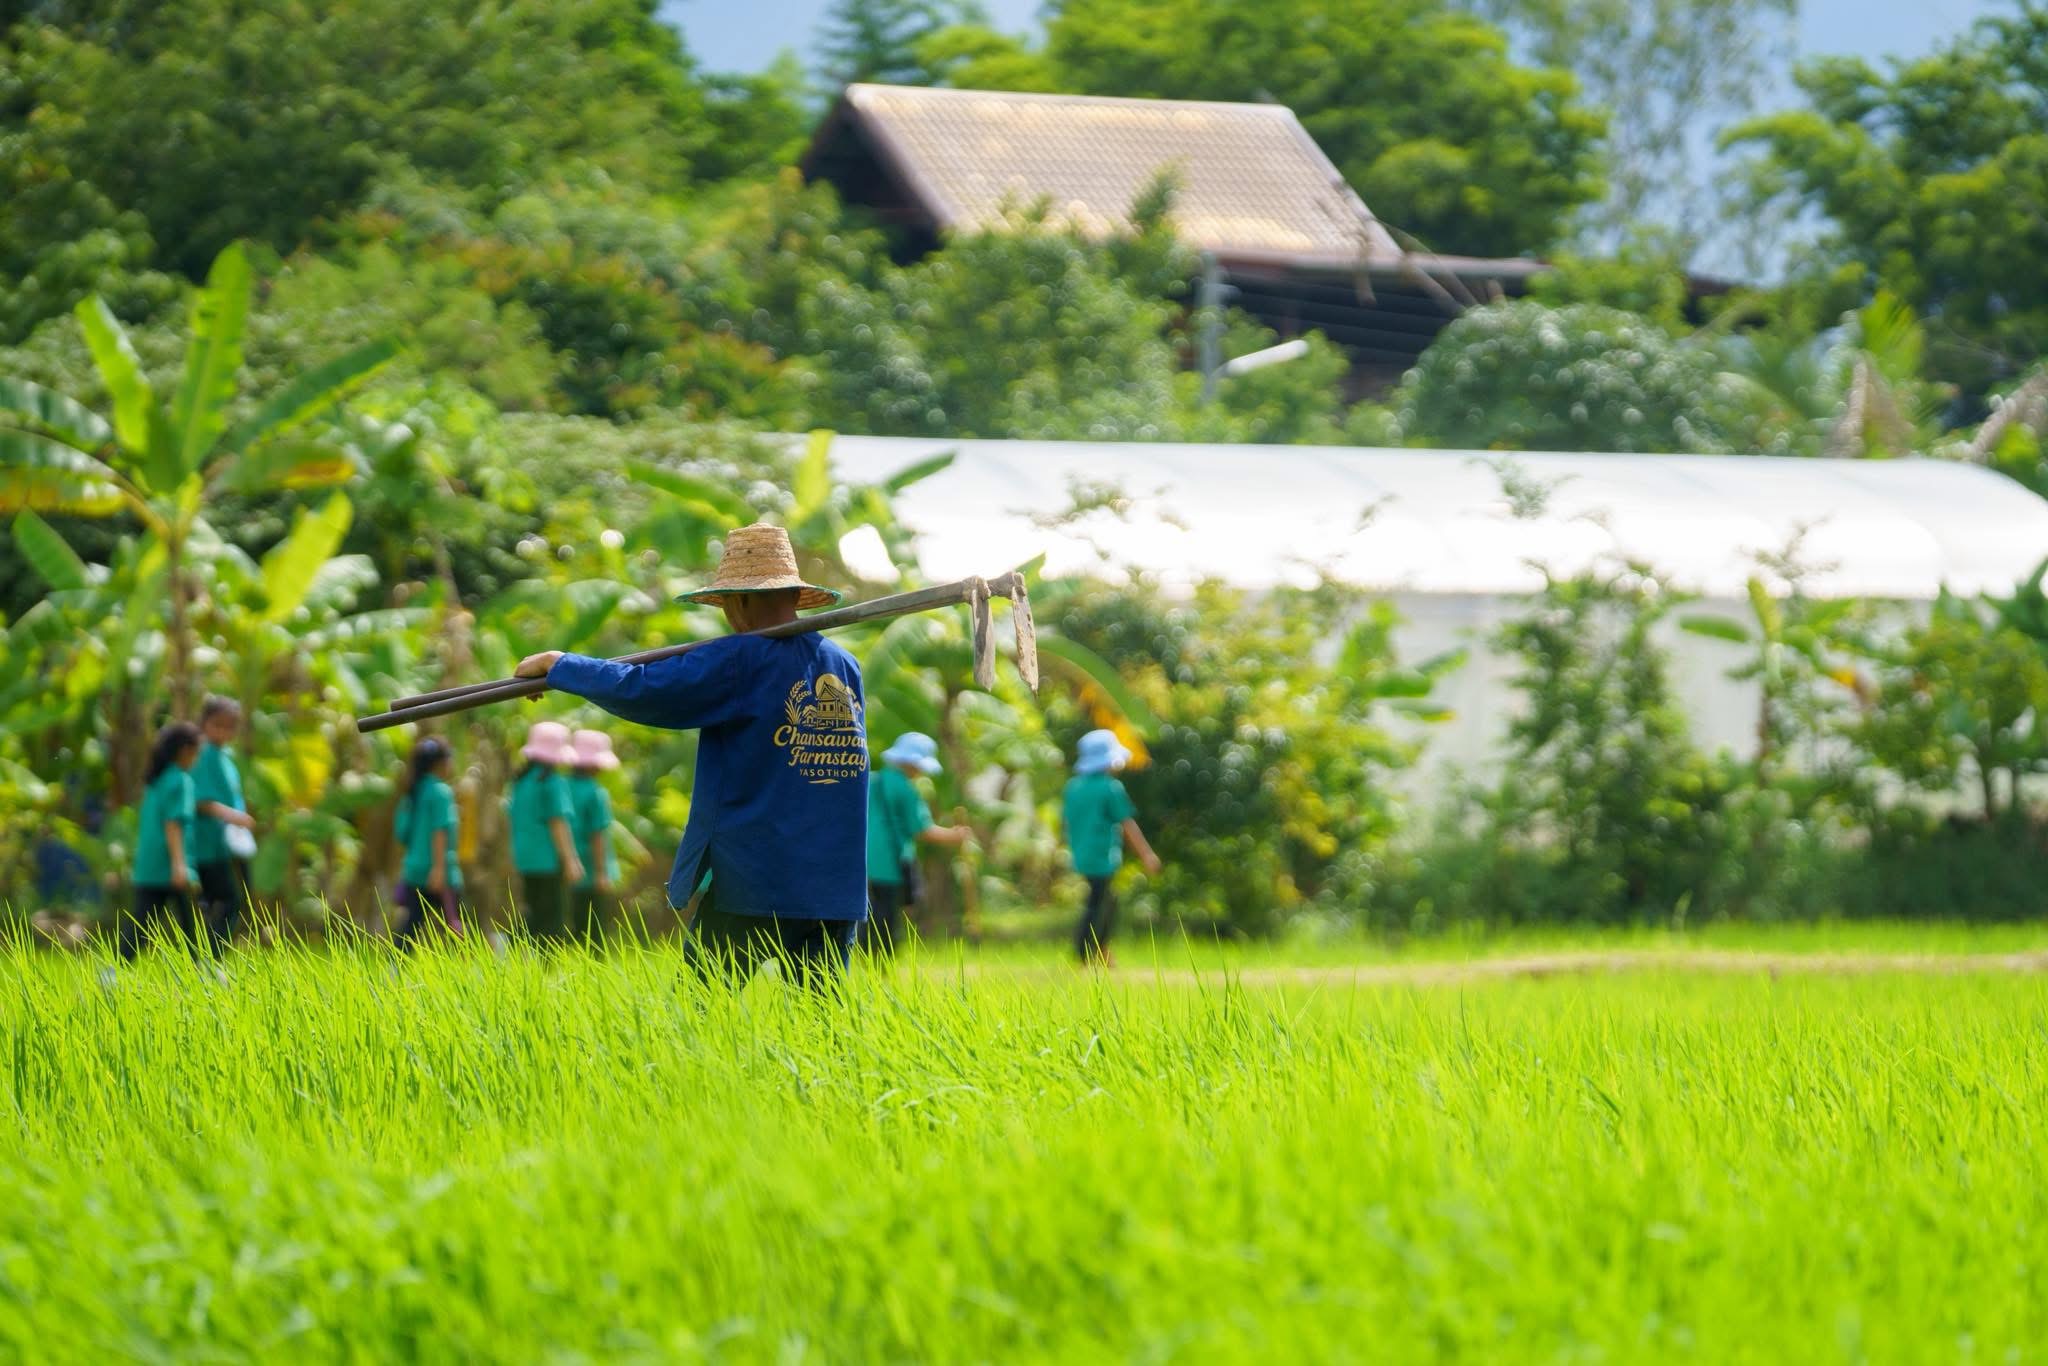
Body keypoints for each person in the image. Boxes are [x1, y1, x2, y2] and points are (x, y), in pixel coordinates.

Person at [515, 523, 867, 981]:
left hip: (758, 877)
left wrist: (561, 665)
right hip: (835, 883)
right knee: (823, 1017)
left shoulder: (740, 658)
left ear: (739, 602)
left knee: (702, 1007)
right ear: (795, 596)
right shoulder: (845, 664)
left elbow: (644, 689)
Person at [1062, 728, 1161, 966]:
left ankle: (1101, 951)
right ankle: (1085, 953)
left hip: (1081, 853)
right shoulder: (1109, 787)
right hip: (1101, 855)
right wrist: (1147, 855)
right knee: (1099, 905)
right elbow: (1127, 824)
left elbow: (1067, 822)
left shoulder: (1073, 787)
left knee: (1105, 901)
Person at [863, 732, 969, 953]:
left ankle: (865, 959)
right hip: (890, 862)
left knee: (868, 915)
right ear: (912, 763)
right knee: (887, 919)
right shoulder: (906, 789)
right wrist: (955, 836)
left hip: (864, 860)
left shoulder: (871, 780)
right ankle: (883, 963)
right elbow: (922, 830)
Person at [123, 721, 205, 960]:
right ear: (186, 751)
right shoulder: (180, 780)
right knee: (189, 922)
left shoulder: (157, 780)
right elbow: (173, 824)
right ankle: (200, 969)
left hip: (150, 864)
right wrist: (180, 865)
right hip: (169, 864)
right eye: (196, 752)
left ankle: (114, 970)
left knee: (144, 922)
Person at [191, 695, 256, 951]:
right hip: (205, 843)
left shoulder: (225, 756)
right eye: (217, 725)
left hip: (224, 845)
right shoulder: (203, 755)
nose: (222, 732)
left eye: (229, 727)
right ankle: (208, 955)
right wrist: (234, 816)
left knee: (224, 902)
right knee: (226, 901)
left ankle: (205, 955)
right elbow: (201, 801)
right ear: (204, 723)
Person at [509, 721, 582, 944]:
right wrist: (570, 859)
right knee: (552, 921)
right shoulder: (552, 782)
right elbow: (558, 823)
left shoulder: (522, 781)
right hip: (548, 860)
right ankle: (548, 963)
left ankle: (514, 956)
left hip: (525, 859)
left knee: (532, 914)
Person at [393, 737, 462, 947]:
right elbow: (440, 830)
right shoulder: (441, 792)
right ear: (440, 763)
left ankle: (393, 963)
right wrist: (439, 869)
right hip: (440, 873)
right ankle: (468, 966)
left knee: (411, 927)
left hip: (414, 871)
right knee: (455, 929)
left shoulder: (413, 793)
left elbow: (402, 833)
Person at [567, 728, 622, 946]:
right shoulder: (595, 793)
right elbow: (597, 834)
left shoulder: (562, 785)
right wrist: (601, 872)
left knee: (567, 925)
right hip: (590, 870)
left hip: (566, 868)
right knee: (593, 931)